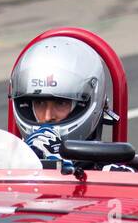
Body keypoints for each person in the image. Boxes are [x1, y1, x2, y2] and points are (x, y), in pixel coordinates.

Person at [8, 35, 125, 171]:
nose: (47, 117)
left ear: (84, 105)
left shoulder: (113, 174)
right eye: (39, 102)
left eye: (60, 103)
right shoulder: (5, 166)